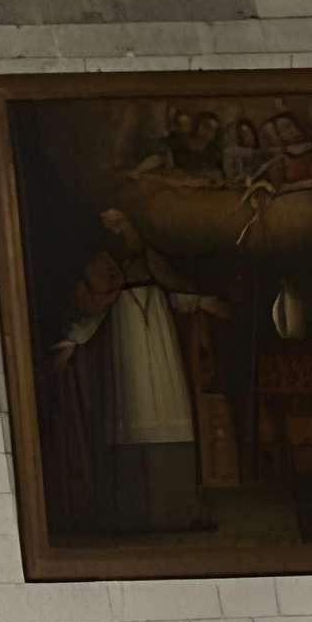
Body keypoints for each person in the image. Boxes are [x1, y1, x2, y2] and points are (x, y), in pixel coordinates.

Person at [46, 206, 229, 533]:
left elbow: (178, 295)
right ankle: (137, 515)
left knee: (172, 419)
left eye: (123, 227)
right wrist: (69, 343)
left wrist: (203, 302)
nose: (121, 235)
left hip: (162, 351)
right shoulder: (106, 274)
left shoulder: (153, 263)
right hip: (126, 352)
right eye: (113, 229)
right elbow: (91, 313)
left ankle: (179, 511)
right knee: (132, 421)